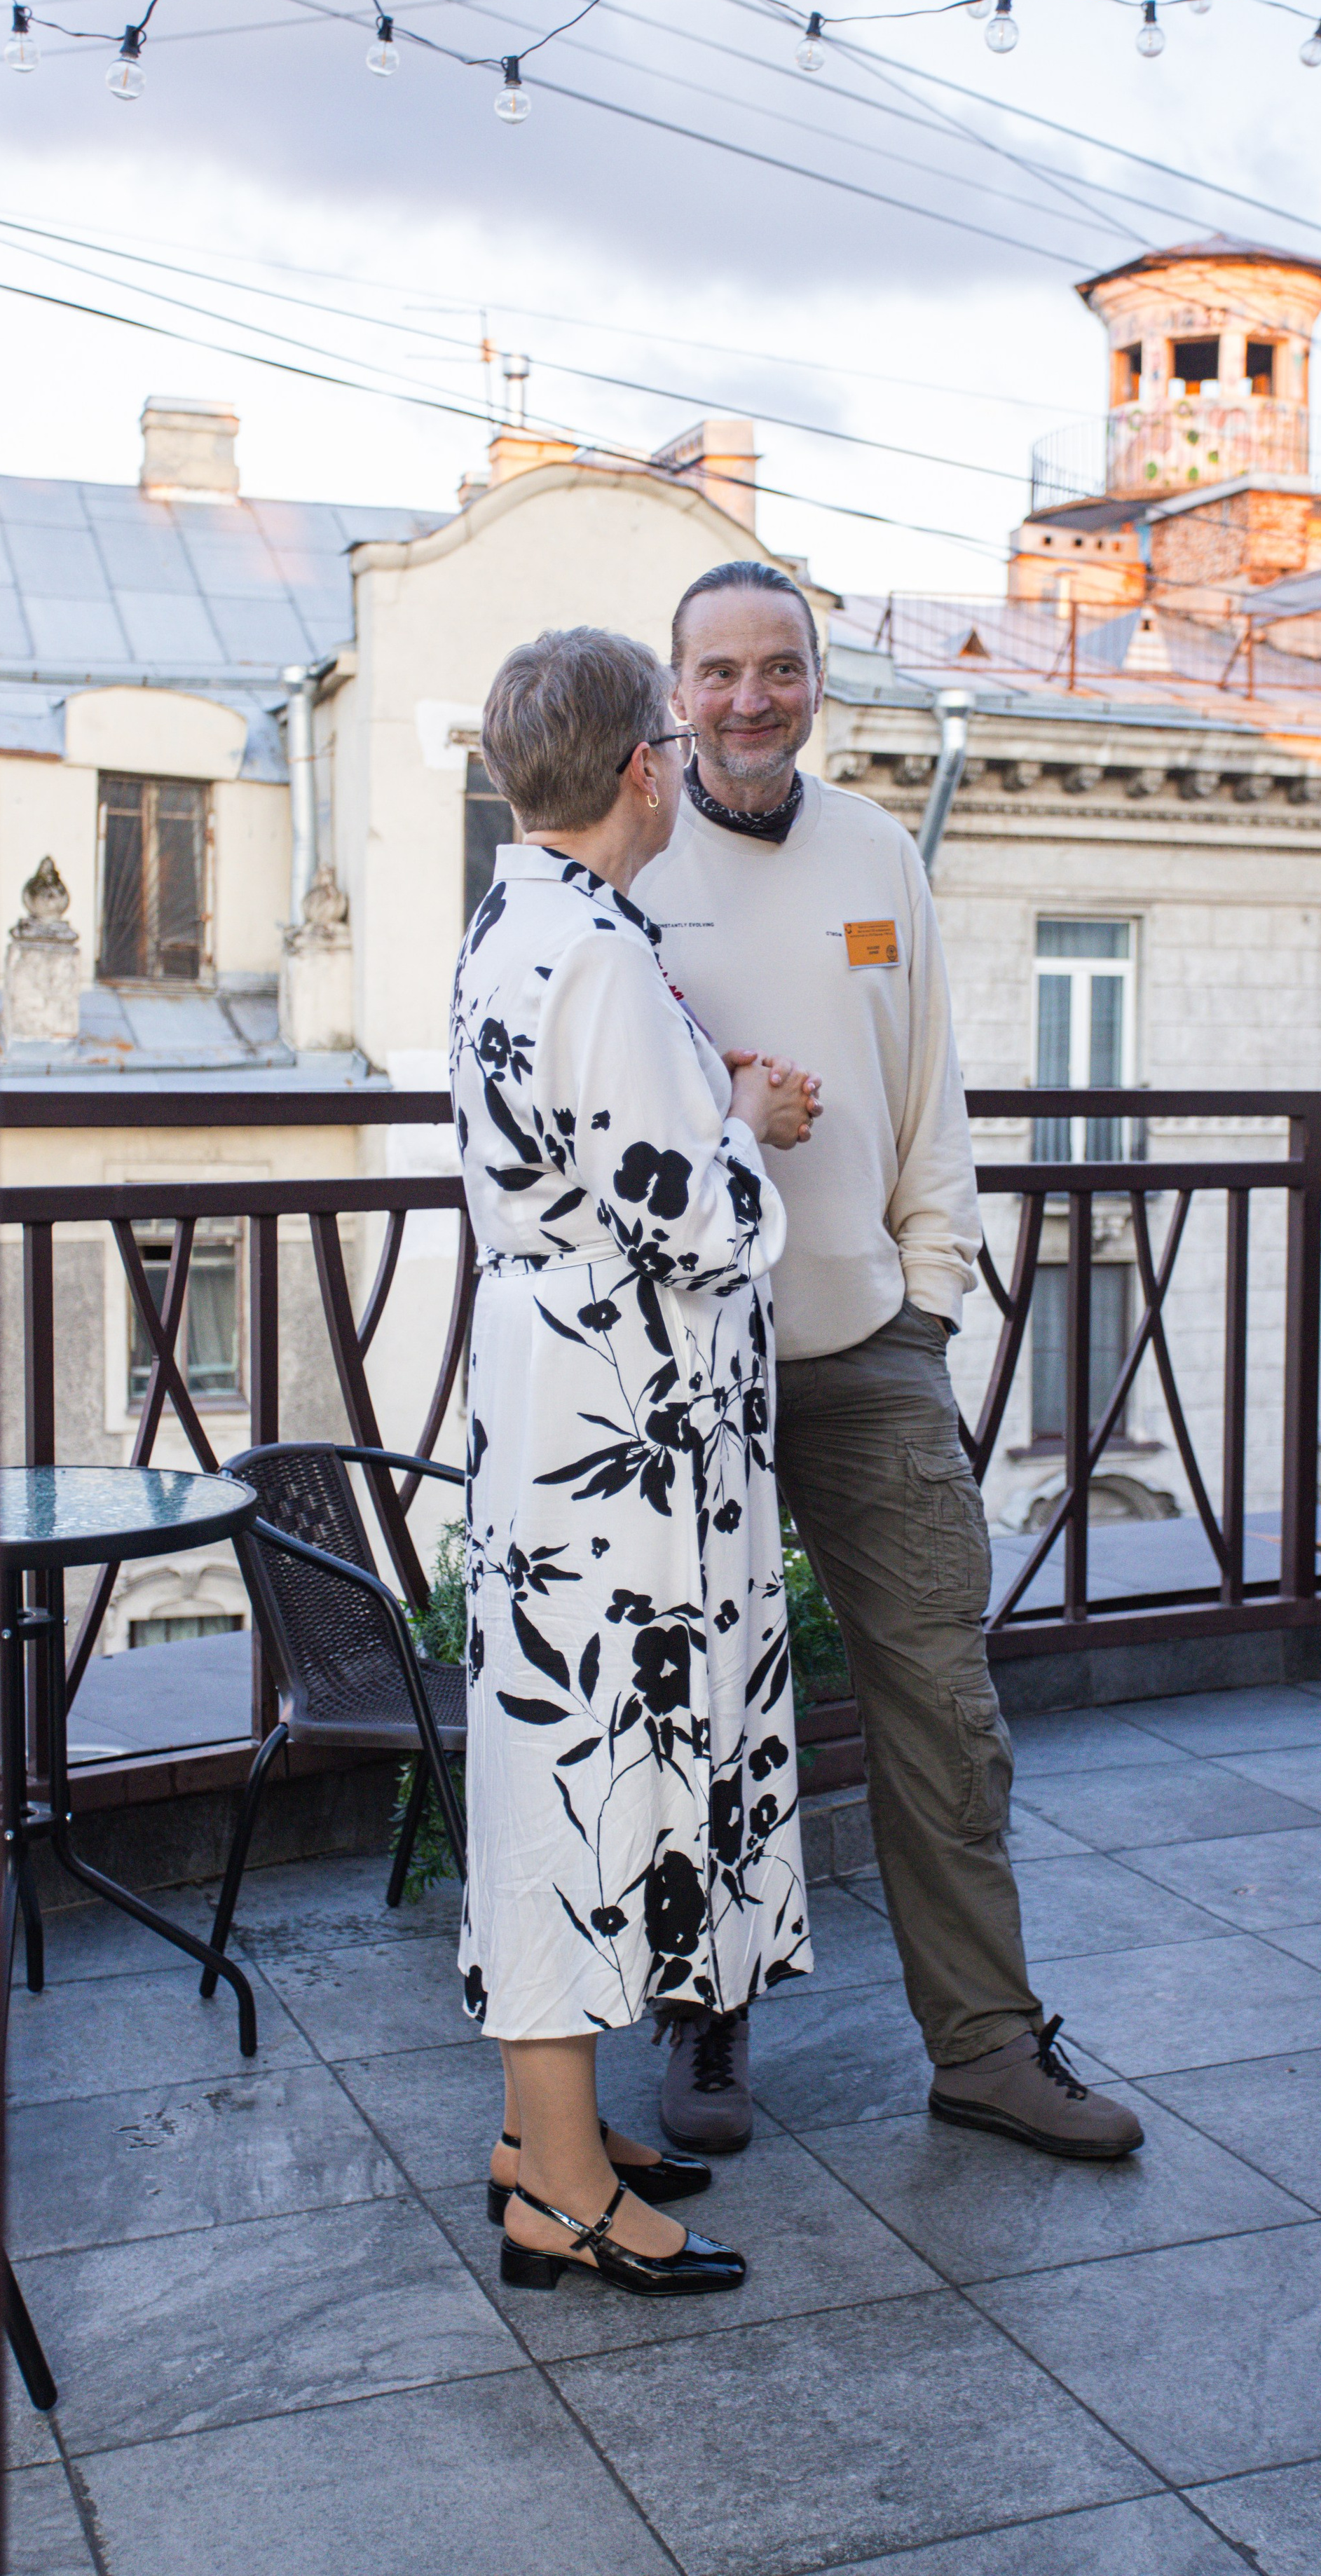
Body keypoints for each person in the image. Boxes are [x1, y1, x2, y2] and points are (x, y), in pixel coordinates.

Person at [634, 560, 1143, 2163]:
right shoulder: (629, 864)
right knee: (704, 1700)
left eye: (775, 667)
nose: (746, 698)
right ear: (676, 690)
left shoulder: (873, 854)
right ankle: (703, 2014)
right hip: (693, 1363)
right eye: (715, 672)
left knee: (939, 1695)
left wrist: (925, 1302)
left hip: (866, 1350)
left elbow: (931, 1094)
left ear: (814, 681)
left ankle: (986, 2042)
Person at [451, 624, 819, 2297]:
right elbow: (695, 1220)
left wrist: (698, 1103)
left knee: (574, 1748)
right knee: (578, 1765)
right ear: (636, 770)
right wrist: (749, 1125)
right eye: (668, 738)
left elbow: (594, 1168)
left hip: (569, 1412)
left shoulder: (518, 918)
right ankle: (564, 2189)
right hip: (616, 1433)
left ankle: (548, 2141)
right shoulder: (592, 947)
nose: (681, 760)